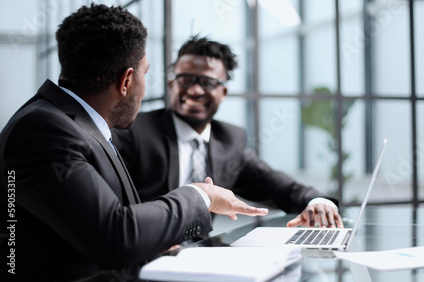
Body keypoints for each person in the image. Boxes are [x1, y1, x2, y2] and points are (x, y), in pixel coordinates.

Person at [0, 5, 267, 281]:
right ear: (127, 80)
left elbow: (89, 228)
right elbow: (114, 236)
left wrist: (153, 245)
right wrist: (201, 196)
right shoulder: (44, 129)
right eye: (145, 73)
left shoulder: (80, 125)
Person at [113, 35, 344, 229]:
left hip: (202, 257)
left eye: (208, 82)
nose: (194, 90)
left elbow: (279, 187)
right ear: (172, 84)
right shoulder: (133, 131)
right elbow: (113, 213)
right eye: (185, 79)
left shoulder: (229, 141)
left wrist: (318, 202)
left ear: (223, 92)